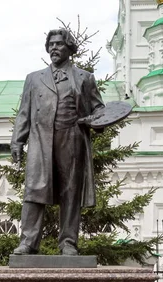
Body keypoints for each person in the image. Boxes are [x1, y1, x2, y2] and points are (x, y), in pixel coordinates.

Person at [11, 28, 105, 256]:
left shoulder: (84, 78)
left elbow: (99, 109)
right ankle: (28, 242)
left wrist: (95, 120)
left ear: (69, 48)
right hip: (41, 140)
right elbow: (25, 112)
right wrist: (17, 141)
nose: (54, 48)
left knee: (70, 192)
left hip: (72, 139)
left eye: (59, 44)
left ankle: (68, 243)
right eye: (51, 44)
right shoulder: (34, 79)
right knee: (34, 190)